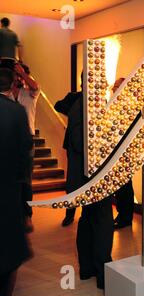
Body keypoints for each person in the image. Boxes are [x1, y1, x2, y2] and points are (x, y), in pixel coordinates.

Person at [63, 87, 113, 289]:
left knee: (88, 219)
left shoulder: (79, 104)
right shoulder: (88, 106)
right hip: (93, 179)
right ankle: (102, 274)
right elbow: (80, 142)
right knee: (102, 222)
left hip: (85, 179)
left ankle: (87, 268)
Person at [0, 68, 33, 296]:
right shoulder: (17, 112)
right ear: (12, 84)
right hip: (8, 189)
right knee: (8, 249)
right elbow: (25, 153)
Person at [10, 62, 40, 233]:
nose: (19, 78)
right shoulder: (6, 93)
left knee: (26, 181)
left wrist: (23, 73)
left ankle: (27, 215)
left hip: (26, 140)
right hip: (8, 140)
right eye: (16, 75)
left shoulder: (30, 93)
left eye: (21, 75)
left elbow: (35, 85)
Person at [54, 90, 82, 227]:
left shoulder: (98, 99)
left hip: (91, 147)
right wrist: (73, 112)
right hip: (74, 145)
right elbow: (57, 105)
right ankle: (69, 214)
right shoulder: (74, 96)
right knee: (73, 180)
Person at [111, 78, 135, 230]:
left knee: (124, 186)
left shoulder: (128, 106)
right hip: (116, 152)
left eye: (117, 87)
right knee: (119, 186)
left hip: (125, 152)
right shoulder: (115, 105)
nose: (113, 90)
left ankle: (125, 217)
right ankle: (123, 215)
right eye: (113, 87)